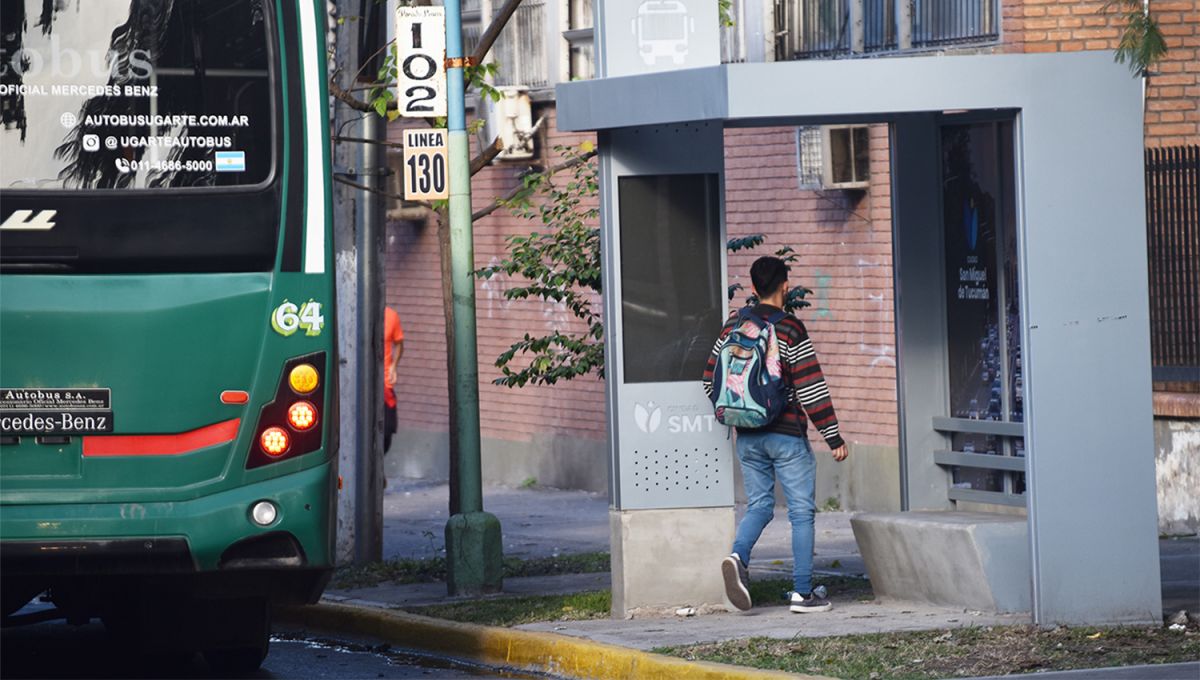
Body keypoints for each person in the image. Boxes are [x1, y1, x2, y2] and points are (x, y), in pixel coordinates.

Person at [702, 256, 849, 614]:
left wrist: (739, 412)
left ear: (753, 288)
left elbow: (710, 380)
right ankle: (802, 593)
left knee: (760, 506)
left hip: (747, 434)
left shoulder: (734, 324)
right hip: (786, 434)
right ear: (785, 285)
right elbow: (812, 389)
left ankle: (738, 556)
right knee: (800, 512)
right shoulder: (790, 329)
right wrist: (833, 437)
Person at [383, 306, 404, 454]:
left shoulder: (391, 315)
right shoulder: (357, 312)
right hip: (362, 384)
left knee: (387, 431)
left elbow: (399, 344)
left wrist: (394, 366)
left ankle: (378, 469)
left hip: (385, 383)